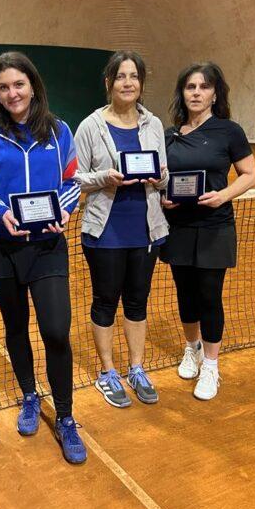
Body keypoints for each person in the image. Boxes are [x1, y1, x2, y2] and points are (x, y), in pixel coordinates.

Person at [0, 51, 86, 464]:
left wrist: (64, 210)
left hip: (47, 247)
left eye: (18, 84)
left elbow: (71, 180)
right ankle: (28, 395)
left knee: (56, 331)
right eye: (3, 87)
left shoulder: (59, 130)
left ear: (33, 86)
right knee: (15, 326)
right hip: (2, 248)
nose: (12, 93)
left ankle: (68, 418)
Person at [74, 51, 169, 408]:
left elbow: (164, 178)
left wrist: (159, 176)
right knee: (105, 301)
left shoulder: (154, 124)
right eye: (120, 76)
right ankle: (108, 372)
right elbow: (76, 178)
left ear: (140, 83)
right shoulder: (90, 126)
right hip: (105, 232)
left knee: (137, 301)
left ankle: (136, 368)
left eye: (134, 76)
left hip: (145, 231)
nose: (127, 83)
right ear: (108, 83)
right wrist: (105, 177)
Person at [160, 62, 255, 400]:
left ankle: (211, 366)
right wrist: (163, 198)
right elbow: (162, 179)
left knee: (209, 296)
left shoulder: (229, 131)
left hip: (215, 226)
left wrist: (223, 195)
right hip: (179, 226)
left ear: (215, 93)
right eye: (190, 87)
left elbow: (248, 174)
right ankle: (192, 347)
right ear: (182, 93)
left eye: (203, 86)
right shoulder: (170, 134)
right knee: (185, 294)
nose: (196, 92)